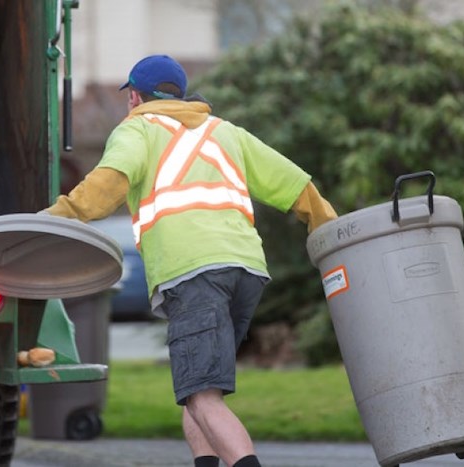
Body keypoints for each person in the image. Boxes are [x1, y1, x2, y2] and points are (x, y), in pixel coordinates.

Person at [43, 54, 337, 467]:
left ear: (135, 98)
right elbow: (294, 183)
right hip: (245, 272)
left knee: (201, 396)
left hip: (193, 273)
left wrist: (53, 218)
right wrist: (329, 228)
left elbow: (106, 187)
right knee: (199, 392)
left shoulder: (138, 129)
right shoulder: (226, 132)